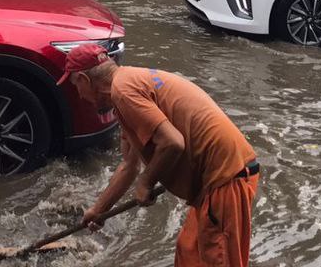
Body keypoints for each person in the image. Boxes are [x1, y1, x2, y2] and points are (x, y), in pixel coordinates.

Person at [61, 44, 259, 267]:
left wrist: (145, 183)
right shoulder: (128, 85)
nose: (79, 95)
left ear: (84, 80)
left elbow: (173, 142)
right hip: (211, 183)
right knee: (188, 254)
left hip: (226, 178)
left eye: (76, 87)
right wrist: (99, 210)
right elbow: (129, 166)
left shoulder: (124, 91)